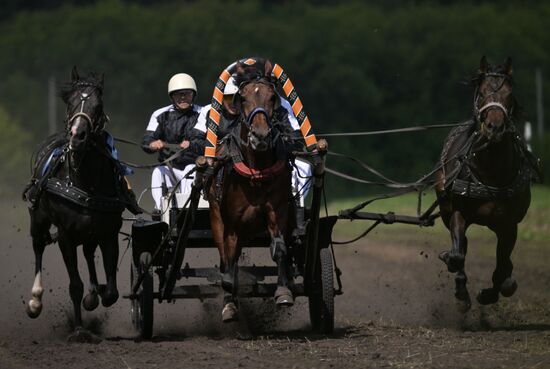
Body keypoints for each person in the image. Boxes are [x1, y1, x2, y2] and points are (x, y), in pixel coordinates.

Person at [195, 76, 312, 198]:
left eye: (236, 99)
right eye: (228, 98)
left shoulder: (261, 107)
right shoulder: (209, 111)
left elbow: (296, 136)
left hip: (266, 159)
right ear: (221, 98)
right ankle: (206, 194)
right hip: (223, 160)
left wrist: (283, 143)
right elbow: (196, 140)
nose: (232, 104)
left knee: (304, 165)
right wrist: (217, 148)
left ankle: (295, 199)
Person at [142, 73, 205, 210]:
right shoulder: (160, 115)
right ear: (172, 97)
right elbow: (147, 140)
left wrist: (191, 145)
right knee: (158, 171)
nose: (183, 98)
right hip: (171, 168)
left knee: (190, 170)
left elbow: (209, 143)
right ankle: (160, 210)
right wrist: (152, 144)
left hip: (197, 168)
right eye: (178, 94)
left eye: (186, 94)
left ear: (193, 95)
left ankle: (187, 210)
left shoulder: (204, 113)